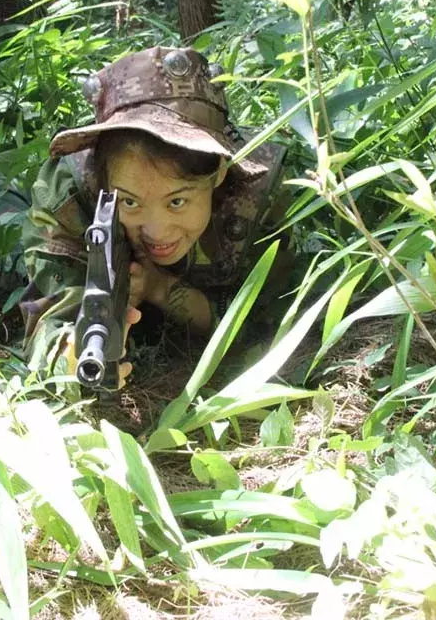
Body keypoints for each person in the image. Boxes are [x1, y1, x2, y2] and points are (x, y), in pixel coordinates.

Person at [20, 45, 284, 386]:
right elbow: (46, 315)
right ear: (102, 179)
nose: (157, 232)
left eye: (177, 202)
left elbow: (270, 323)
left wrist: (161, 289)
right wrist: (67, 357)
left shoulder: (262, 192)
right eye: (130, 202)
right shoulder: (67, 191)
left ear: (219, 172)